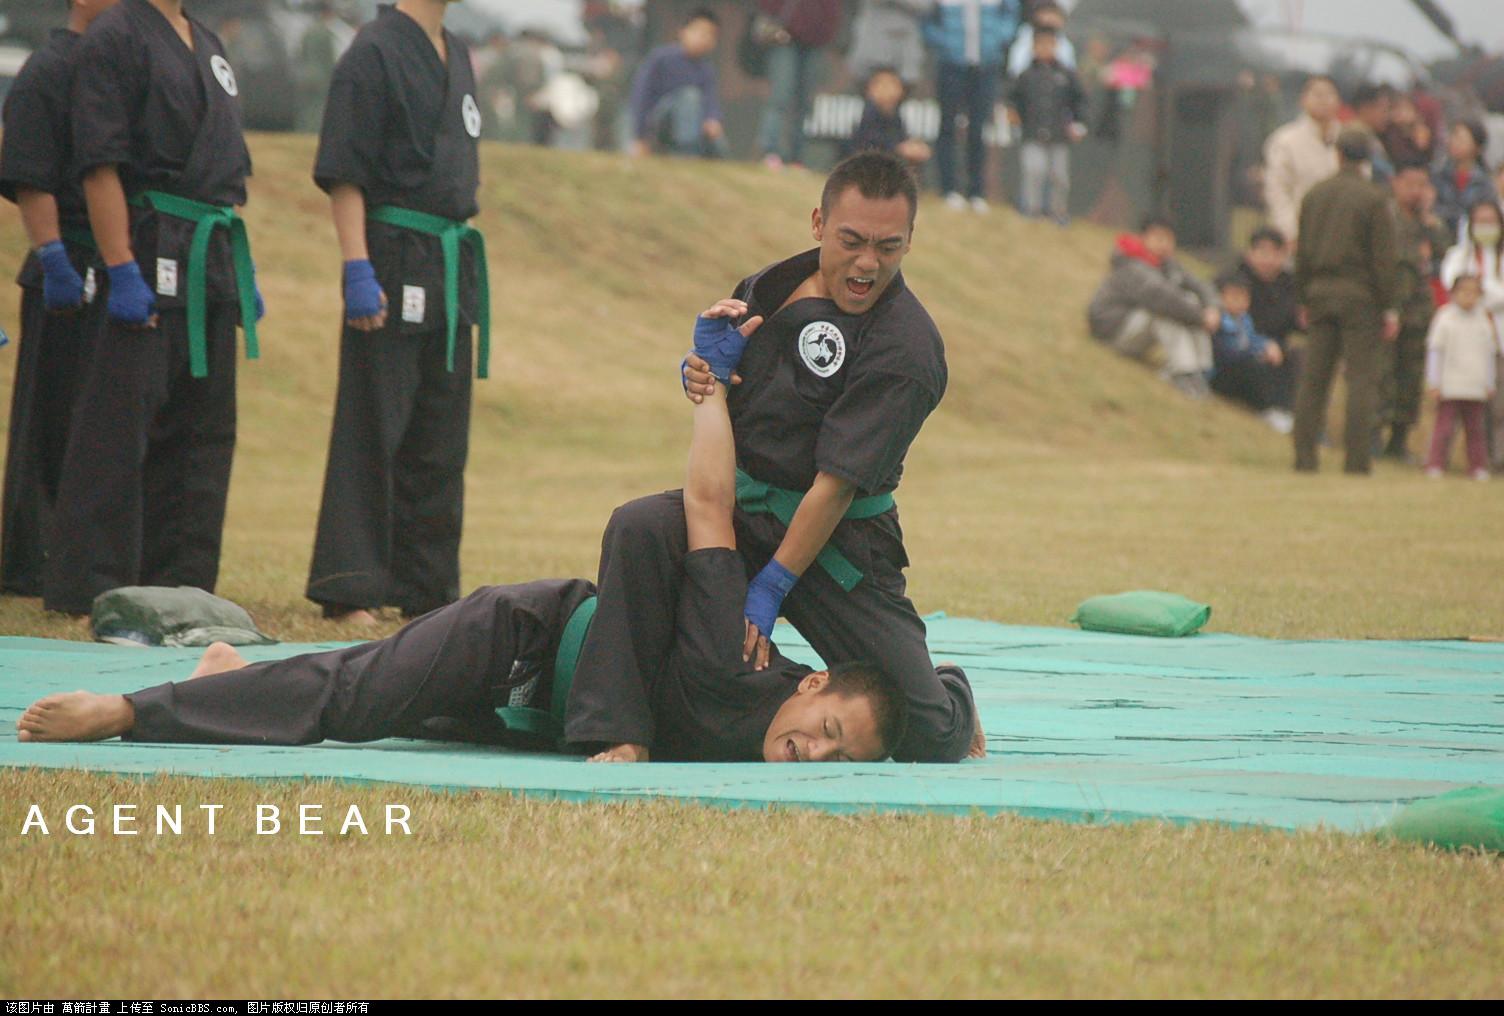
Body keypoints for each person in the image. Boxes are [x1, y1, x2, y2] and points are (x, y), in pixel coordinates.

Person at [15, 307, 908, 765]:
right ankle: (127, 712)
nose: (818, 752)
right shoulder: (738, 651)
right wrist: (712, 382)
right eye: (828, 729)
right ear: (812, 683)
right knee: (351, 700)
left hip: (523, 721)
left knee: (375, 706)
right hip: (519, 642)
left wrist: (951, 703)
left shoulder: (789, 739)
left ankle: (231, 678)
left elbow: (919, 699)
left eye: (840, 758)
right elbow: (706, 504)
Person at [577, 152, 980, 764]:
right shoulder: (766, 288)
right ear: (819, 223)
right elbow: (732, 397)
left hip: (840, 544)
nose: (867, 264)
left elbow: (835, 487)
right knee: (640, 527)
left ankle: (947, 687)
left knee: (925, 731)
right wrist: (702, 373)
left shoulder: (908, 349)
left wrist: (773, 584)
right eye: (851, 241)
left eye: (888, 247)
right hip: (745, 515)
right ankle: (621, 730)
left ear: (909, 241)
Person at [42, 0, 262, 616]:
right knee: (118, 421)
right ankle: (90, 581)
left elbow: (223, 169)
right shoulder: (115, 35)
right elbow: (99, 164)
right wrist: (120, 266)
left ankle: (181, 578)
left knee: (204, 428)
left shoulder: (207, 42)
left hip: (207, 253)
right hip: (145, 243)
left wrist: (239, 270)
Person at [304, 0, 489, 627]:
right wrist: (357, 266)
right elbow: (345, 171)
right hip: (389, 256)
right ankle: (349, 586)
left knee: (440, 434)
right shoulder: (373, 52)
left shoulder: (456, 53)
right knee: (373, 424)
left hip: (447, 262)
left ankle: (426, 586)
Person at [0, 0, 118, 597]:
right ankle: (32, 559)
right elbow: (31, 173)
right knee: (50, 420)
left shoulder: (122, 64)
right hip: (66, 265)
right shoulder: (50, 68)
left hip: (120, 266)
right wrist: (52, 256)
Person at [1292, 128, 1400, 475]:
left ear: (1338, 154)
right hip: (1361, 298)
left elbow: (1302, 253)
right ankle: (1356, 462)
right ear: (1367, 158)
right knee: (1360, 380)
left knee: (1313, 380)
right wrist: (1389, 305)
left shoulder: (1315, 195)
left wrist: (1303, 296)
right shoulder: (1374, 199)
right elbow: (1383, 260)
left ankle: (1304, 458)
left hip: (1319, 293)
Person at [1086, 215, 1219, 398]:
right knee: (1166, 310)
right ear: (1143, 237)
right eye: (1158, 238)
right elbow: (1161, 297)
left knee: (1191, 300)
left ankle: (1201, 371)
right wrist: (1201, 317)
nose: (1164, 244)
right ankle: (1183, 372)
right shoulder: (1131, 264)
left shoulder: (1169, 265)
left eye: (1169, 239)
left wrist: (1212, 308)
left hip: (1135, 330)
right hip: (1112, 334)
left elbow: (1202, 286)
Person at [1379, 160, 1451, 462]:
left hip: (1419, 311)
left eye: (1421, 185)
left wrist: (1430, 223)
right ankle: (1373, 433)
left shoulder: (1429, 224)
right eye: (1410, 184)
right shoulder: (1384, 218)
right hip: (1388, 305)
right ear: (1396, 183)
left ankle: (1399, 439)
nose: (1415, 191)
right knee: (1382, 373)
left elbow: (1445, 254)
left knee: (1410, 376)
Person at [923, 0, 1020, 212]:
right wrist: (944, 42)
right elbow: (927, 18)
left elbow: (1011, 14)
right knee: (947, 126)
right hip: (950, 65)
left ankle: (976, 192)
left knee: (978, 129)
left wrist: (998, 39)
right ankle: (948, 189)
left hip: (986, 66)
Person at [1439, 199, 1504, 468]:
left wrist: (1481, 289)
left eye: (1491, 222)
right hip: (1464, 345)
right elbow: (1451, 284)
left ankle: (1498, 458)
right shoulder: (1459, 256)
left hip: (1498, 339)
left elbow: (1490, 294)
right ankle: (1450, 459)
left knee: (1499, 407)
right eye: (1481, 222)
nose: (1486, 227)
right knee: (1460, 408)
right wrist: (1482, 292)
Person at [1423, 275, 1502, 480]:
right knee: (1444, 429)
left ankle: (1477, 466)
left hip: (1475, 387)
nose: (1469, 297)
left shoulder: (1483, 320)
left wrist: (1489, 382)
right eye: (1464, 292)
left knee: (1476, 431)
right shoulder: (1445, 318)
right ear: (1453, 293)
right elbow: (1435, 351)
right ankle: (1436, 463)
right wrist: (1434, 381)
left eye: (1473, 293)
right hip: (1449, 386)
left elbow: (1489, 354)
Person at [1004, 26, 1085, 225]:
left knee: (1059, 176)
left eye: (1049, 44)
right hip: (1031, 132)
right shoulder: (1026, 75)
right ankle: (1032, 209)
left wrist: (1079, 124)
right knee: (1034, 171)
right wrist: (1013, 114)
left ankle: (1058, 212)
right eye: (1040, 45)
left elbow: (1080, 101)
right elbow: (1012, 98)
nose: (1045, 49)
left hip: (1059, 134)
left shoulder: (1067, 75)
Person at [755, 0, 843, 171]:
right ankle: (770, 152)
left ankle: (797, 157)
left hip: (815, 43)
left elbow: (833, 11)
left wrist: (825, 34)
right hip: (784, 38)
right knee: (779, 98)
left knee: (804, 103)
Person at [626, 8, 725, 159]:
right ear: (683, 32)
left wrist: (713, 118)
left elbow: (711, 101)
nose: (703, 38)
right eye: (698, 31)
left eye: (710, 34)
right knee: (689, 96)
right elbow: (641, 95)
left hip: (694, 125)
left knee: (719, 142)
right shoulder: (661, 58)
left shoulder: (707, 70)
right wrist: (639, 137)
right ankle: (686, 154)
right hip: (659, 123)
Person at [1262, 74, 1340, 250]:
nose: (1323, 100)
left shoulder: (1347, 139)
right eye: (1317, 94)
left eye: (1329, 94)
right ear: (1303, 100)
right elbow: (1277, 191)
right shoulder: (1285, 140)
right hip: (1299, 237)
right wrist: (1290, 232)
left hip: (1340, 237)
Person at [1208, 273, 1290, 431]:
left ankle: (1283, 409)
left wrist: (1267, 345)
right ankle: (1268, 410)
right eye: (1234, 297)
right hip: (1221, 374)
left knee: (1280, 360)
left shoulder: (1244, 319)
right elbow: (1225, 351)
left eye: (1244, 298)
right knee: (1252, 366)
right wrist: (1255, 353)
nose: (1240, 303)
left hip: (1243, 366)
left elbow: (1252, 339)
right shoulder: (1218, 320)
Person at [848, 67, 931, 167]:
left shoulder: (897, 114)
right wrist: (900, 149)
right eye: (880, 84)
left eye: (892, 84)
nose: (887, 89)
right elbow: (869, 143)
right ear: (869, 89)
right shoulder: (867, 114)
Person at [1432, 120, 1496, 240]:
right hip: (1441, 236)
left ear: (1477, 147)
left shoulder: (1484, 183)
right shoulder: (1438, 175)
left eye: (1461, 139)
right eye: (1453, 137)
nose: (1454, 142)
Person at [847, 0, 933, 87]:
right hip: (872, 43)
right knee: (864, 84)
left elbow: (926, 6)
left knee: (906, 84)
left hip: (904, 46)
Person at [1005, 0, 1075, 79]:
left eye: (1053, 13)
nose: (1049, 19)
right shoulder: (1024, 40)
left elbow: (1070, 72)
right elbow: (1015, 71)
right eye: (1045, 13)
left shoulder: (1065, 44)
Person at [1348, 82, 1395, 184]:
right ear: (1365, 109)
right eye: (1384, 110)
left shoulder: (1370, 135)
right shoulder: (1355, 138)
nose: (1387, 116)